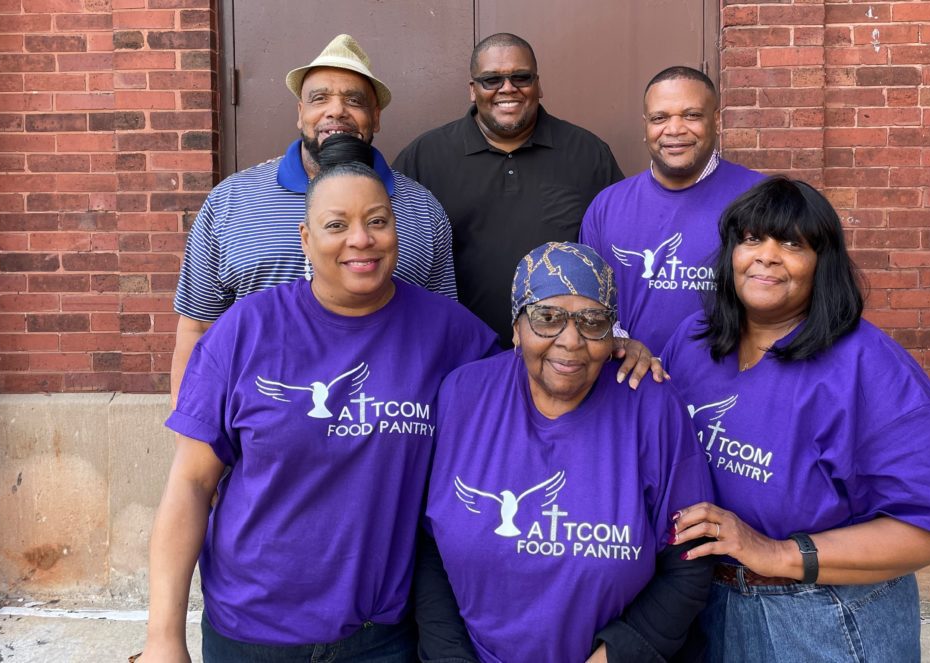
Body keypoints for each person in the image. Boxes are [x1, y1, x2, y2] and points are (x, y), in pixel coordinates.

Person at [139, 144, 498, 661]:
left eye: (377, 221)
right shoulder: (246, 330)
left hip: (378, 636)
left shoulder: (450, 334)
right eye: (336, 225)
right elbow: (191, 484)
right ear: (306, 239)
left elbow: (538, 386)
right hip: (251, 629)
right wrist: (162, 637)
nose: (361, 239)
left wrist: (612, 342)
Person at [662, 177, 930, 662]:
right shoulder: (694, 339)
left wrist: (779, 553)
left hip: (821, 617)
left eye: (791, 243)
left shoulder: (871, 369)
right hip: (709, 606)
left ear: (821, 265)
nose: (766, 255)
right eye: (750, 238)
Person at [416, 242, 714, 663]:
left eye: (593, 322)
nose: (571, 340)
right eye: (547, 318)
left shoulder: (649, 404)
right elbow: (431, 550)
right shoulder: (463, 395)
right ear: (516, 327)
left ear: (613, 335)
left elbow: (689, 560)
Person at [170, 33, 457, 402]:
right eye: (319, 98)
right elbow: (196, 329)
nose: (336, 110)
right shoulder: (232, 201)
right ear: (300, 113)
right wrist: (190, 438)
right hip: (255, 439)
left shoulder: (421, 209)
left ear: (376, 117)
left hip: (383, 433)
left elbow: (444, 336)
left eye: (354, 100)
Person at [394, 33, 624, 347]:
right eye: (491, 79)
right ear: (473, 90)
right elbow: (396, 257)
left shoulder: (588, 153)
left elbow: (620, 255)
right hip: (455, 351)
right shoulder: (424, 157)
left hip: (565, 353)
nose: (508, 88)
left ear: (539, 85)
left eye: (521, 77)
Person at [581, 66, 764, 353]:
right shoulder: (607, 206)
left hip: (730, 380)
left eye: (691, 115)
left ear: (716, 120)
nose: (675, 129)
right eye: (660, 118)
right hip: (630, 383)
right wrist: (620, 344)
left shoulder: (760, 198)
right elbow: (588, 300)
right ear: (646, 126)